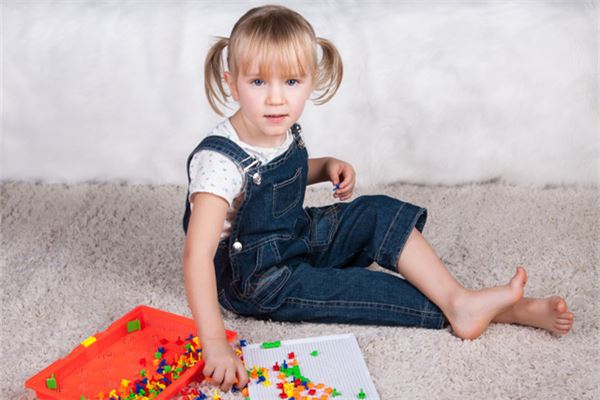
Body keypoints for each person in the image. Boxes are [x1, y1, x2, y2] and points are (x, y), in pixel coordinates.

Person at [181, 4, 574, 392]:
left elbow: (276, 174)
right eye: (258, 82)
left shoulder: (275, 125)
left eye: (291, 82)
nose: (276, 98)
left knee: (375, 212)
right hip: (257, 278)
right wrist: (214, 344)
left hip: (294, 234)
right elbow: (197, 256)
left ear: (311, 80)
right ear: (232, 84)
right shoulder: (219, 163)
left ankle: (458, 298)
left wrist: (324, 167)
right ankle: (505, 311)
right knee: (354, 289)